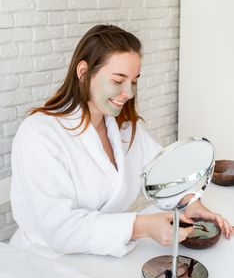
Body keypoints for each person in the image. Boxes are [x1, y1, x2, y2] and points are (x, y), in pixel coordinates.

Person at [10, 24, 233, 260]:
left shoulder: (123, 128)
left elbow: (165, 172)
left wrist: (189, 203)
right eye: (118, 81)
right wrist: (142, 226)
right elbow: (60, 229)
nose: (129, 93)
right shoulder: (39, 135)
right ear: (83, 72)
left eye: (134, 81)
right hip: (46, 263)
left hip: (104, 259)